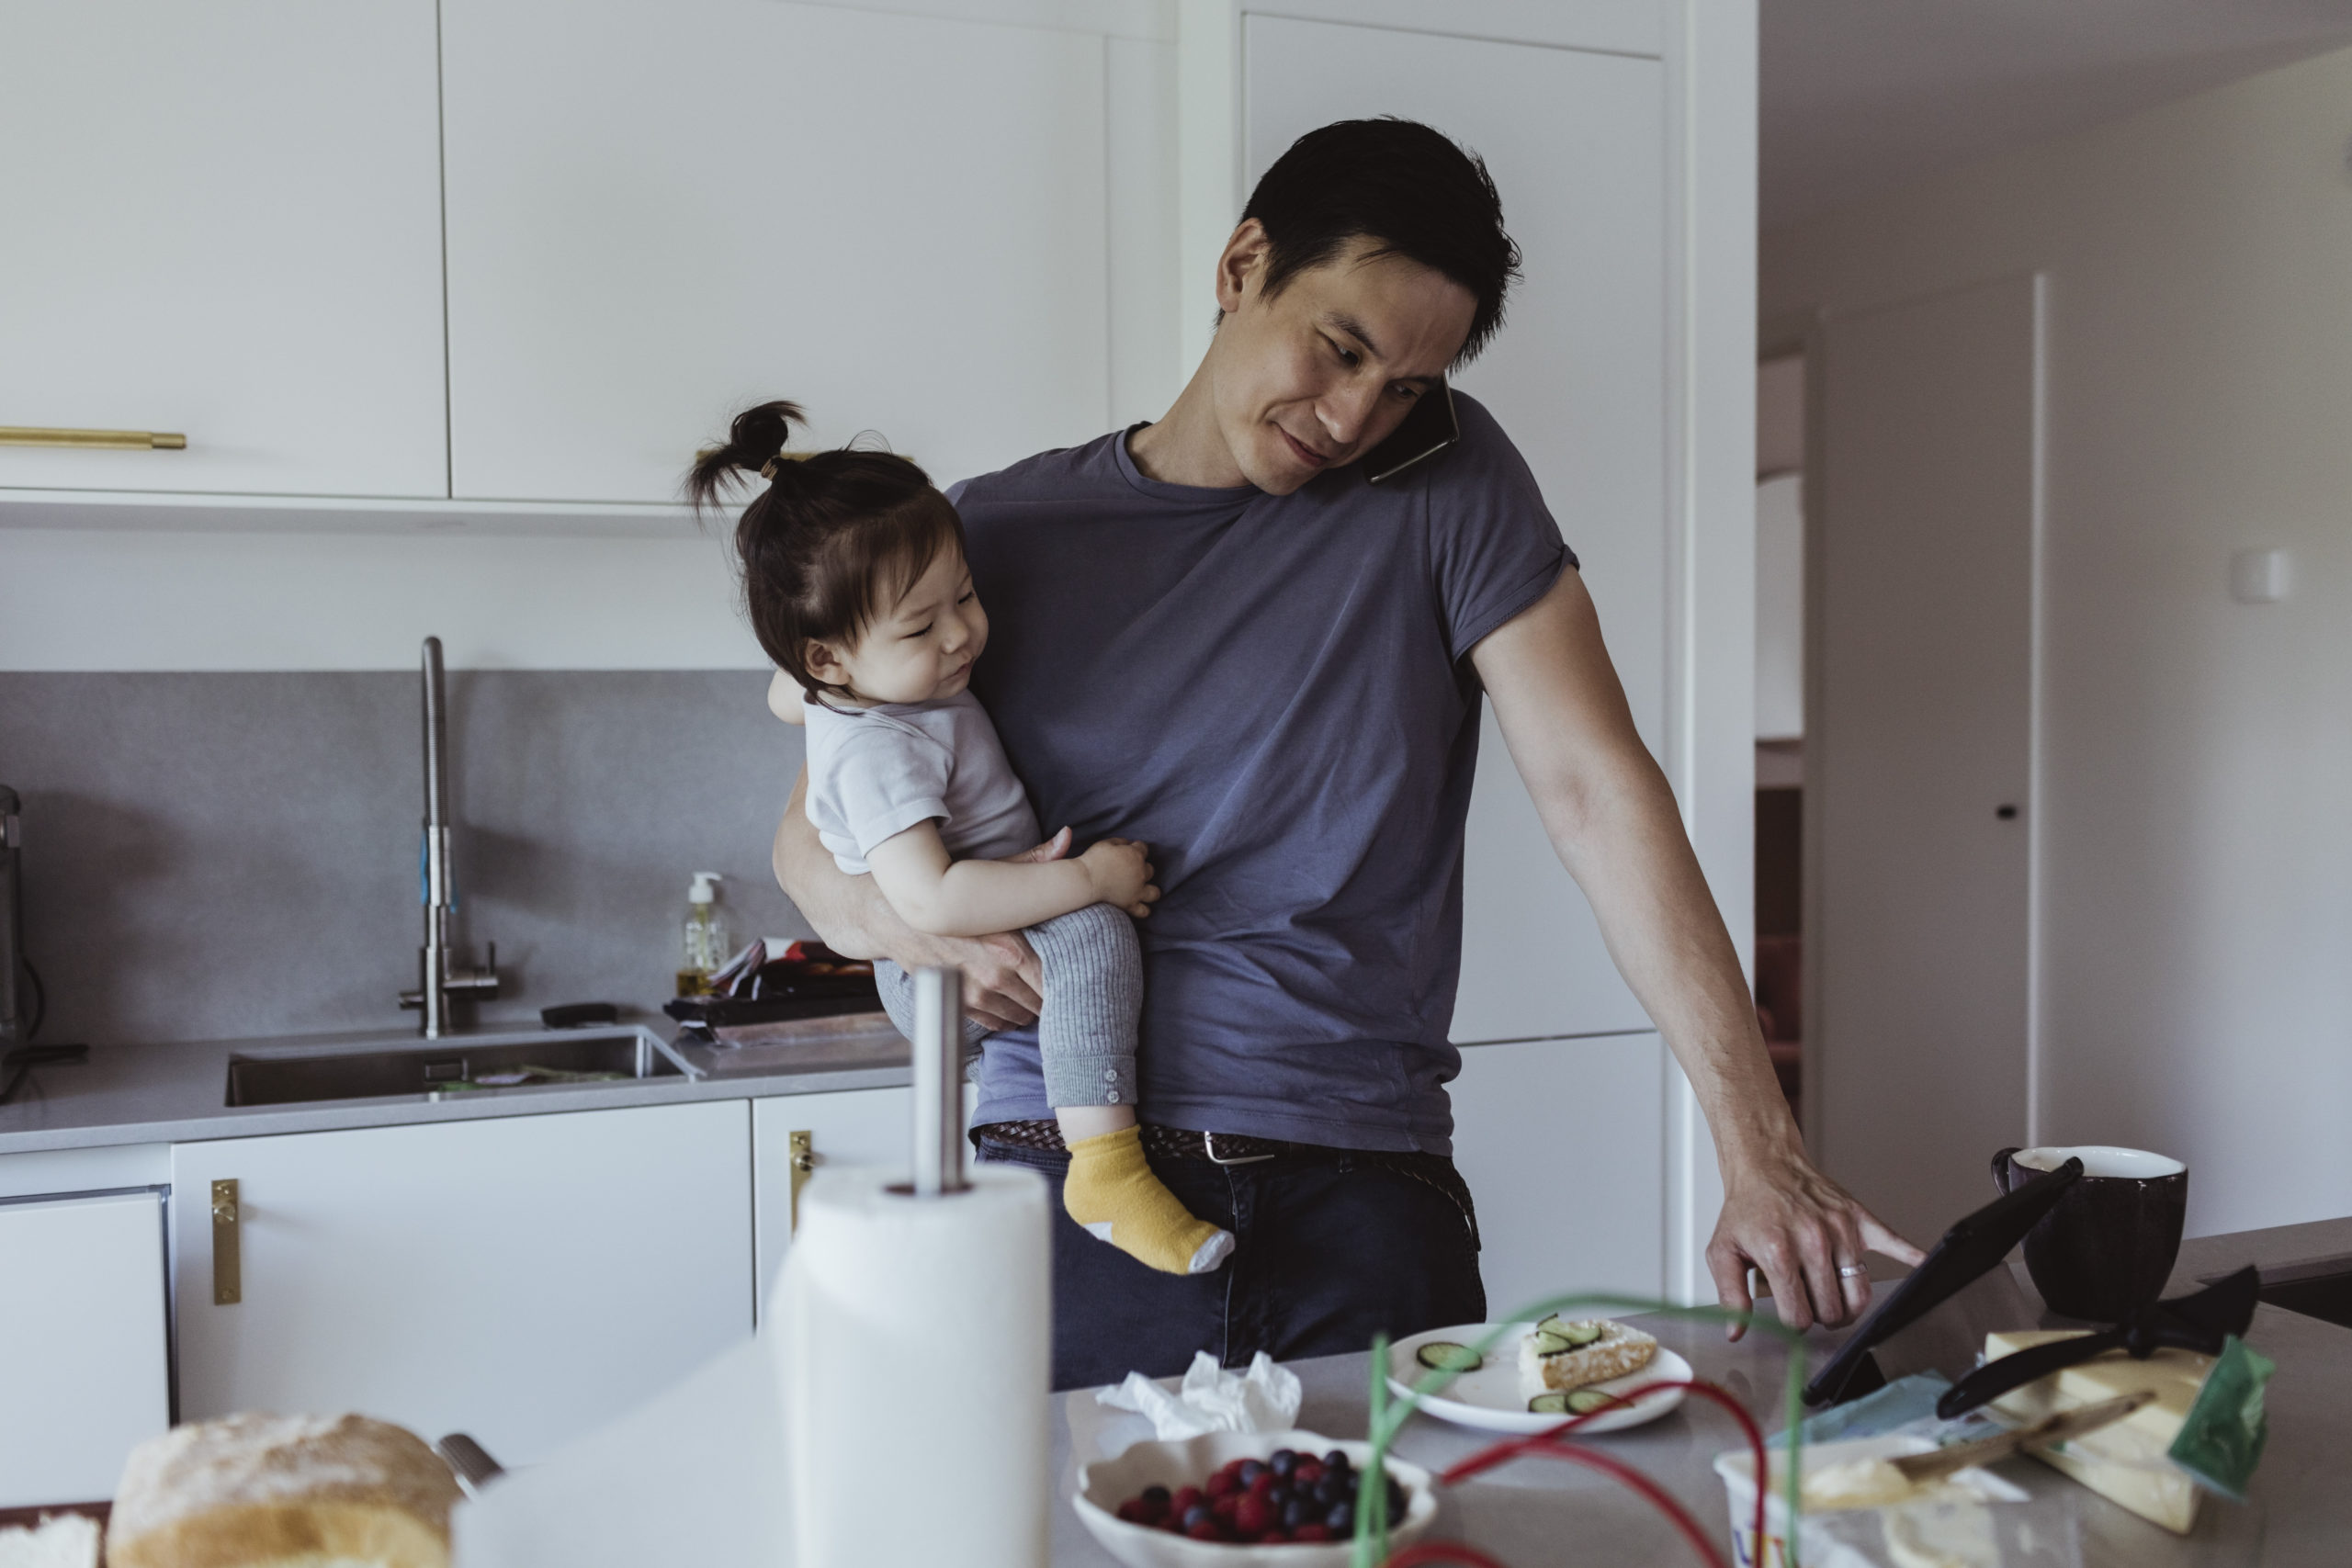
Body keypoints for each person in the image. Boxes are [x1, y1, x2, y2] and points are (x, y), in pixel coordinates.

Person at [775, 118, 1925, 1389]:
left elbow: (1597, 788)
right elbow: (817, 814)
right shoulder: (990, 535)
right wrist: (891, 916)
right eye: (1340, 348)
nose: (1353, 416)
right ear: (1242, 262)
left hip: (1366, 1186)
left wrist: (1757, 1141)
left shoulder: (1452, 482)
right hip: (1066, 1171)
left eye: (1406, 388)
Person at [686, 407, 1235, 1277]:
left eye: (966, 596)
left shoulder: (848, 688)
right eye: (918, 627)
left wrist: (830, 675)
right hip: (929, 961)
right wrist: (1092, 876)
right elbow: (930, 902)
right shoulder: (880, 749)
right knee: (1095, 938)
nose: (960, 635)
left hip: (955, 876)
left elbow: (783, 699)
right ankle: (1105, 1170)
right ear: (829, 657)